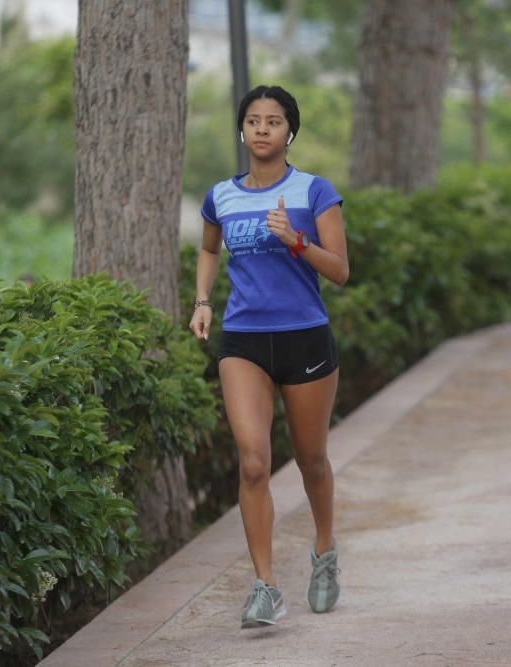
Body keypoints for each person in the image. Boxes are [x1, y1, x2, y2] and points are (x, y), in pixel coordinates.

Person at [190, 85, 349, 629]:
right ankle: (265, 587)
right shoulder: (221, 196)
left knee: (311, 461)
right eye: (253, 120)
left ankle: (324, 554)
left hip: (305, 336)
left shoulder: (313, 191)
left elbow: (341, 271)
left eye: (274, 121)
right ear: (242, 130)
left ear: (290, 132)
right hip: (244, 341)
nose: (262, 129)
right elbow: (210, 248)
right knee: (254, 461)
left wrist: (296, 240)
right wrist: (203, 301)